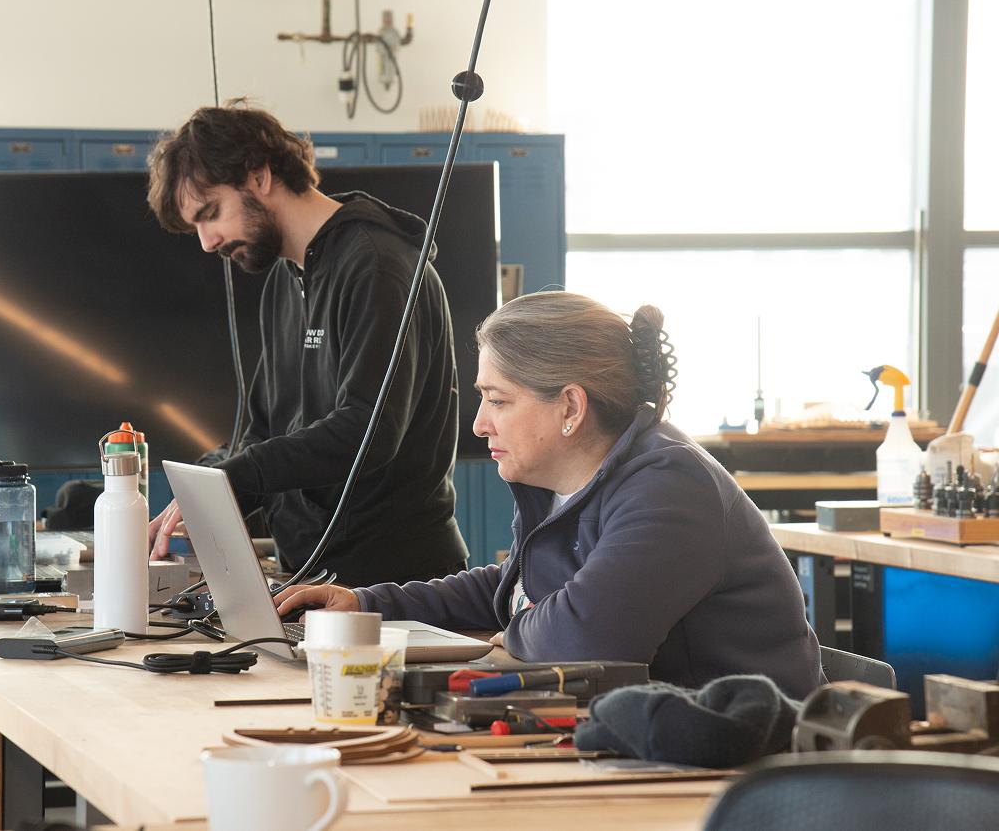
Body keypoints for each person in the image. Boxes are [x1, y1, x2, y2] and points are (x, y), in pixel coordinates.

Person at [275, 292, 825, 699]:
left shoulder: (672, 489)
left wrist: (513, 632)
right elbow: (512, 587)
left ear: (570, 408)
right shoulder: (563, 484)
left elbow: (587, 634)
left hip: (741, 763)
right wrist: (367, 603)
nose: (479, 424)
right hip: (656, 737)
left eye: (498, 400)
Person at [145, 101, 468, 587]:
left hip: (394, 583)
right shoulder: (283, 280)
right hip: (311, 573)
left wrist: (244, 474)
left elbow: (368, 430)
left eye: (210, 214)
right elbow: (264, 432)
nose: (207, 242)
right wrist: (202, 494)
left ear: (259, 177)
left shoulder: (376, 266)